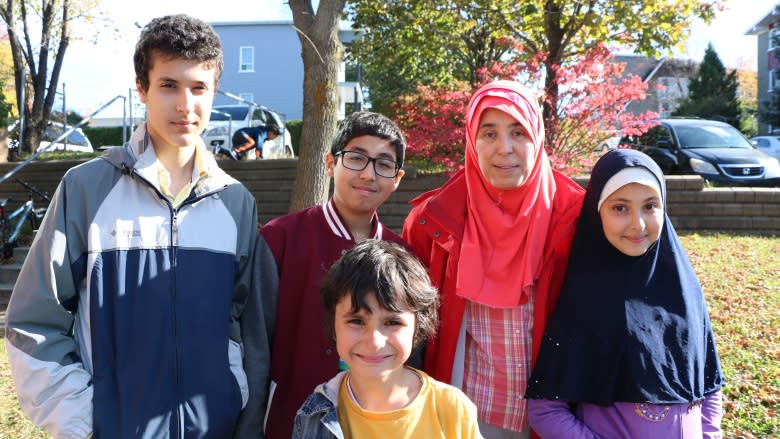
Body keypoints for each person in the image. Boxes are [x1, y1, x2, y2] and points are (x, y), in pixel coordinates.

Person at [4, 15, 272, 438]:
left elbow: (245, 327)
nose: (185, 105)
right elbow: (33, 323)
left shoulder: (236, 203)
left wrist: (233, 400)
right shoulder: (86, 189)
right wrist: (84, 421)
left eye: (198, 87)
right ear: (142, 89)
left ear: (214, 91)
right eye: (168, 85)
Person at [401, 80, 585, 438]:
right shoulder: (431, 222)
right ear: (471, 141)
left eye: (518, 131)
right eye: (489, 133)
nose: (505, 148)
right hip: (465, 415)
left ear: (538, 136)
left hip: (555, 417)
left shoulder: (578, 218)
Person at [525, 149, 724, 438]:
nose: (637, 224)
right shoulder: (584, 300)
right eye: (620, 208)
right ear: (597, 211)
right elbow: (544, 410)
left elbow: (709, 385)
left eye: (650, 206)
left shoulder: (685, 292)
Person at [260, 111, 408, 438]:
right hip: (291, 414)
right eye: (356, 158)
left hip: (373, 419)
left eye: (383, 164)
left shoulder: (402, 256)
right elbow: (256, 340)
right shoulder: (280, 238)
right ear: (330, 163)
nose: (369, 174)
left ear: (397, 178)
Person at [293, 240, 482, 438]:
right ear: (333, 327)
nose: (374, 342)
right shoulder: (313, 413)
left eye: (392, 323)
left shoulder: (452, 410)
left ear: (418, 329)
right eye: (356, 321)